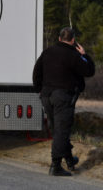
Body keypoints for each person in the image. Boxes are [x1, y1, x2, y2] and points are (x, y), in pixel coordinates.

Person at [32, 27, 95, 176]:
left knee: (58, 129)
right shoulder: (73, 55)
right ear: (73, 40)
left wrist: (38, 89)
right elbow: (89, 71)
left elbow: (36, 72)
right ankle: (55, 166)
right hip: (63, 97)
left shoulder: (47, 52)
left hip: (46, 95)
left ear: (59, 39)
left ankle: (69, 160)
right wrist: (84, 55)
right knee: (62, 131)